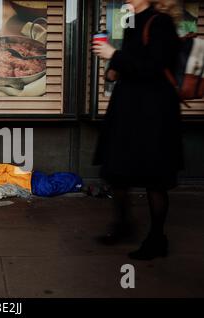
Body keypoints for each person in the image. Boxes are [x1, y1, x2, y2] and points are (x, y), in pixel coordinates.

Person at [92, 0, 182, 260]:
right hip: (128, 110)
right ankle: (123, 225)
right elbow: (132, 59)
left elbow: (154, 66)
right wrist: (113, 69)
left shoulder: (161, 22)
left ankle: (157, 239)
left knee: (155, 178)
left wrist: (114, 55)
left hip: (154, 113)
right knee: (115, 170)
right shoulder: (131, 21)